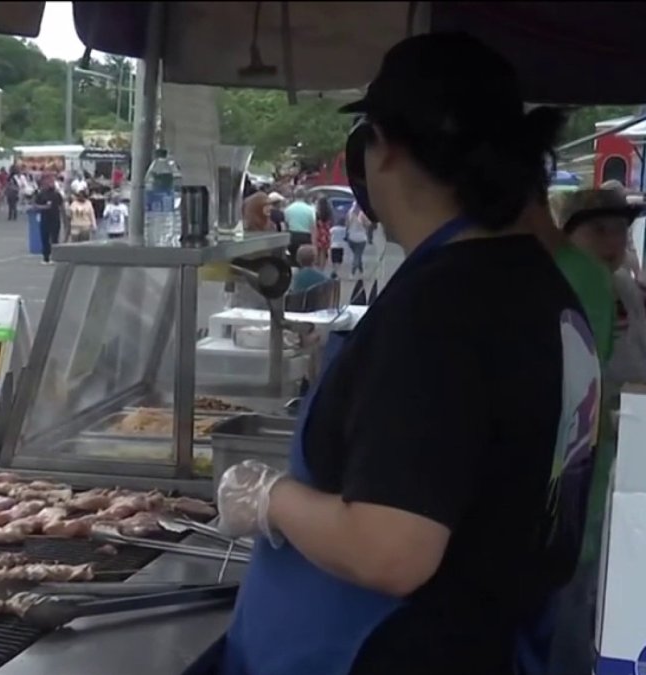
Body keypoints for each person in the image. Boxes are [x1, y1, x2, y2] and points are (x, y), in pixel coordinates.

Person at [213, 33, 601, 675]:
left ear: (384, 148)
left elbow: (391, 551)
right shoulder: (536, 281)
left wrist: (270, 497)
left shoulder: (444, 309)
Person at [546, 188, 646, 675]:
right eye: (598, 230)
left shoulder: (624, 290)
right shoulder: (570, 283)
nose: (612, 242)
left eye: (620, 231)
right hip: (575, 473)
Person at [32, 175, 65, 264]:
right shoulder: (41, 194)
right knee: (45, 238)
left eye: (52, 182)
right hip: (45, 219)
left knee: (55, 238)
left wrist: (65, 218)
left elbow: (62, 206)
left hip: (55, 219)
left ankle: (55, 257)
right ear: (44, 184)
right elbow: (35, 206)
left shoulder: (57, 194)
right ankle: (46, 257)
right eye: (49, 182)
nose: (51, 184)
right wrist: (44, 207)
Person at [283, 188, 316, 258]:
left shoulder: (288, 209)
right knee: (305, 258)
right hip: (305, 236)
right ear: (305, 196)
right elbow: (313, 227)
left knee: (292, 257)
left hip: (292, 236)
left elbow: (286, 225)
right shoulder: (310, 209)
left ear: (294, 196)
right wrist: (314, 243)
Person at [346, 205, 369, 277]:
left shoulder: (350, 213)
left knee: (357, 255)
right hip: (361, 238)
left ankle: (361, 271)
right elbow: (368, 225)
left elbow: (347, 225)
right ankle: (352, 272)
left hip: (351, 237)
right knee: (357, 255)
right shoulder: (363, 214)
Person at [314, 196, 335, 267]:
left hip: (318, 233)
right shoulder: (329, 213)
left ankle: (316, 266)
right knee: (323, 252)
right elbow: (332, 223)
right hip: (326, 234)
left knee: (317, 251)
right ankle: (322, 268)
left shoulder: (317, 213)